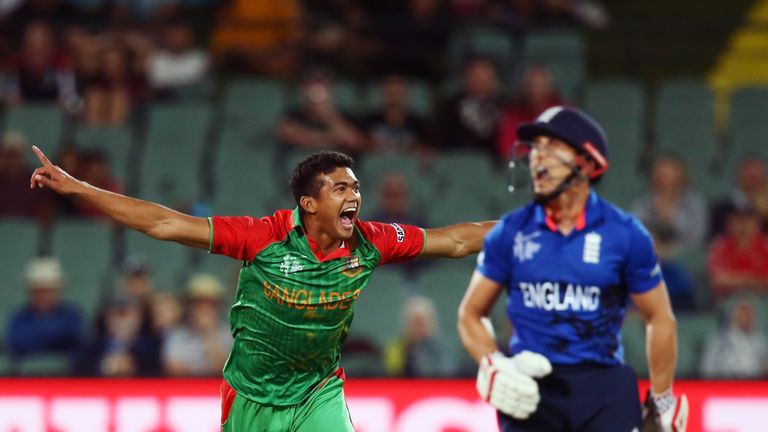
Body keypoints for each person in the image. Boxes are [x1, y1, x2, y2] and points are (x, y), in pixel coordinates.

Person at [30, 147, 494, 431]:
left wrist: (530, 227)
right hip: (251, 395)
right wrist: (80, 189)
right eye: (339, 189)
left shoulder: (371, 241)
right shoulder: (262, 237)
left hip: (318, 389)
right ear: (309, 204)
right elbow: (167, 224)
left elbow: (453, 240)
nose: (354, 196)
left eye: (355, 187)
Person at [457, 106, 688, 431]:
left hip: (603, 386)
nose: (537, 158)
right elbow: (470, 313)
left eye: (551, 147)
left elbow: (660, 317)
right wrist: (493, 363)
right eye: (535, 148)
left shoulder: (625, 234)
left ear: (587, 161)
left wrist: (662, 400)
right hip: (530, 385)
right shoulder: (510, 232)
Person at [6, 257, 83, 361]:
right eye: (38, 291)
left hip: (65, 375)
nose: (43, 296)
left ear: (57, 291)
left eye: (47, 291)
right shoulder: (19, 318)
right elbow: (16, 344)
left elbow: (77, 342)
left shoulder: (72, 315)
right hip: (27, 375)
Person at [631, 154, 708, 251]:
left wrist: (674, 216)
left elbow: (697, 240)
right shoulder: (643, 204)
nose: (667, 182)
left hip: (684, 259)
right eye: (662, 176)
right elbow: (634, 236)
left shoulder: (694, 204)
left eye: (673, 177)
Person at [163, 273, 233, 376]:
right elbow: (173, 368)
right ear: (189, 306)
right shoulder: (177, 334)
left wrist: (208, 334)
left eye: (210, 304)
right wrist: (206, 370)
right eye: (198, 303)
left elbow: (227, 368)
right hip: (186, 389)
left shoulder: (229, 333)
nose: (204, 309)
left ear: (218, 306)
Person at [707, 203, 768, 300]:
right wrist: (752, 280)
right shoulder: (721, 246)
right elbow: (718, 281)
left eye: (748, 221)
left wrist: (737, 280)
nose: (743, 226)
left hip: (763, 300)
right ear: (729, 223)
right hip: (729, 301)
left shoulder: (765, 245)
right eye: (738, 221)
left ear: (758, 223)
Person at [383, 295, 454, 377]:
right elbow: (391, 371)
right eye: (415, 322)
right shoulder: (396, 346)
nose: (418, 327)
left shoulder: (439, 347)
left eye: (422, 322)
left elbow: (446, 371)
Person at [700, 296, 768, 378]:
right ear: (732, 315)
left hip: (754, 386)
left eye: (749, 314)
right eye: (741, 313)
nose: (745, 317)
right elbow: (706, 367)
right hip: (725, 385)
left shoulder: (761, 340)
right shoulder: (718, 338)